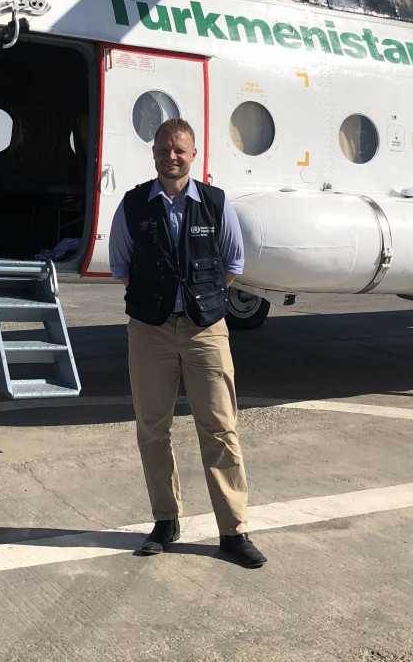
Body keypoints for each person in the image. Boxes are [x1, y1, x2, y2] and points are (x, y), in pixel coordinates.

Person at [109, 117, 266, 568]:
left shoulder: (215, 203)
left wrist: (201, 297)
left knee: (220, 428)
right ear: (154, 153)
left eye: (179, 149)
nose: (171, 156)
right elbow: (121, 266)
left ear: (194, 155)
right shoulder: (133, 204)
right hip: (150, 331)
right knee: (152, 428)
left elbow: (232, 262)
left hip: (205, 331)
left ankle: (233, 532)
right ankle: (165, 521)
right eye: (163, 149)